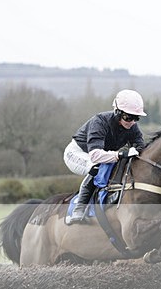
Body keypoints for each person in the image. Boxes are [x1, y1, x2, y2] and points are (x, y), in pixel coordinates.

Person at [63, 89, 147, 224]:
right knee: (95, 167)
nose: (132, 122)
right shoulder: (100, 121)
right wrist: (120, 154)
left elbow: (141, 148)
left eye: (136, 118)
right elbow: (95, 155)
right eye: (128, 117)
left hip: (101, 155)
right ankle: (79, 209)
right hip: (77, 153)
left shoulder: (132, 127)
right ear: (117, 112)